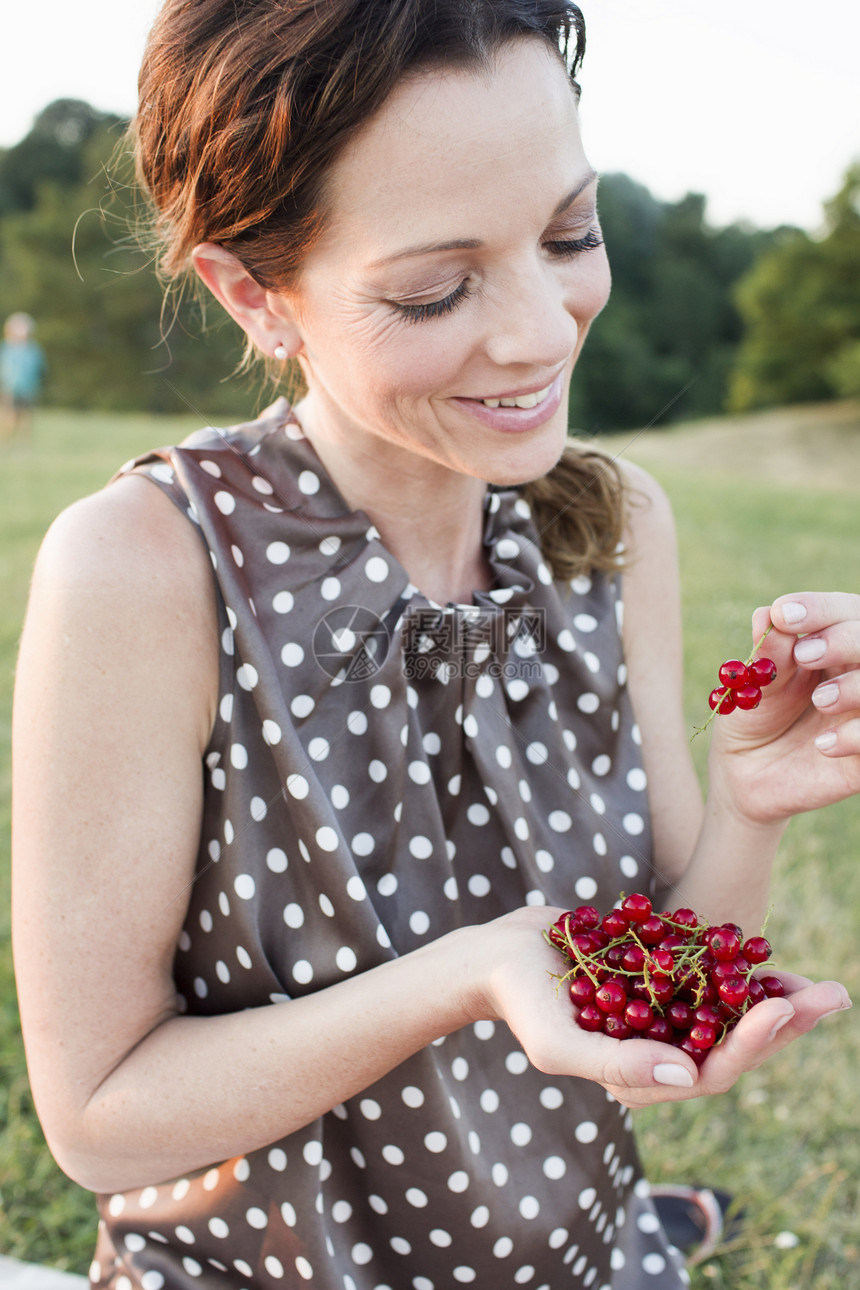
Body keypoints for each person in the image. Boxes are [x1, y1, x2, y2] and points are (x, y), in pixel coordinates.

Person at [11, 2, 858, 1288]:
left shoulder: (613, 523)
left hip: (577, 1255)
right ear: (255, 292)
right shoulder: (148, 565)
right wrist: (462, 975)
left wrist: (750, 804)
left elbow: (674, 971)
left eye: (568, 235)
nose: (538, 331)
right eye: (433, 289)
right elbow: (99, 1120)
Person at [0, 311, 46, 440]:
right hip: (8, 388)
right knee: (8, 416)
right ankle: (5, 442)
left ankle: (22, 444)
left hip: (28, 388)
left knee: (26, 416)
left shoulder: (33, 350)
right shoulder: (6, 348)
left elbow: (40, 369)